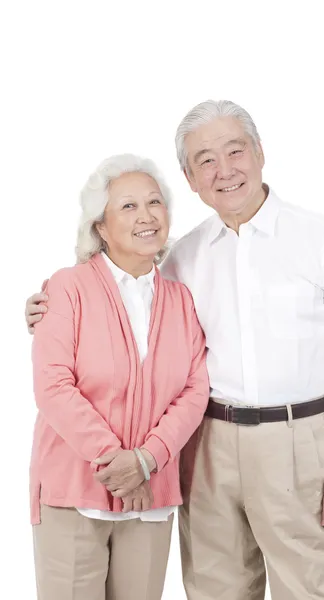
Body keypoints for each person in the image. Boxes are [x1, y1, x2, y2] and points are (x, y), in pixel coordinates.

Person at [26, 101, 324, 600]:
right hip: (206, 443)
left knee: (312, 588)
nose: (224, 169)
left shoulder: (320, 240)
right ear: (190, 178)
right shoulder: (183, 256)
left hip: (296, 444)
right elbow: (122, 301)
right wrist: (44, 307)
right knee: (215, 589)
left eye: (235, 151)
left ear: (260, 153)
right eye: (205, 160)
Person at [28, 153, 209, 600]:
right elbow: (53, 386)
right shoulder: (67, 287)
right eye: (128, 206)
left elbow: (194, 389)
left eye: (155, 203)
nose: (146, 216)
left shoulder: (181, 297)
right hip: (74, 492)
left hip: (153, 493)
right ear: (100, 227)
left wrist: (146, 461)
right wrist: (117, 464)